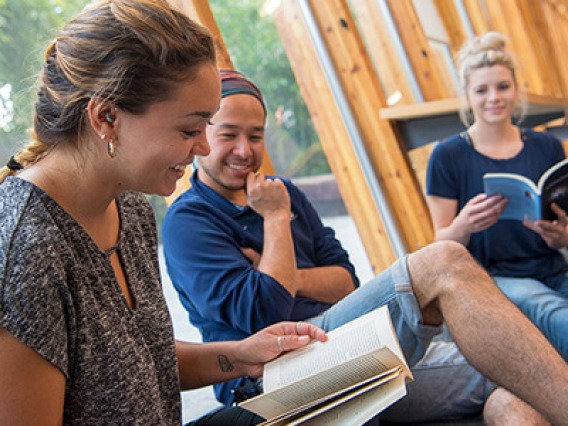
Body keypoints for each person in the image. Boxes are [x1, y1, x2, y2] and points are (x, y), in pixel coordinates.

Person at [162, 69, 567, 425]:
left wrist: (287, 275)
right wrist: (274, 221)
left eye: (256, 136)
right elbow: (264, 310)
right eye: (228, 135)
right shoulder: (190, 221)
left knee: (515, 385)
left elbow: (345, 281)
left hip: (348, 339)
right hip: (272, 373)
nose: (245, 151)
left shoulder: (285, 193)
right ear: (202, 136)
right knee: (445, 264)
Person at [0, 1, 331, 425]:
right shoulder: (22, 252)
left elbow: (140, 364)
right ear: (106, 118)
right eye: (190, 130)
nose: (205, 148)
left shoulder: (132, 206)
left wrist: (241, 355)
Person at [425, 31, 568, 360]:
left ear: (516, 88)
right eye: (482, 90)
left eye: (503, 87)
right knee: (547, 308)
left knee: (550, 300)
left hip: (551, 266)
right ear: (467, 95)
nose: (494, 98)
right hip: (494, 277)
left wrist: (560, 236)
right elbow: (440, 243)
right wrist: (465, 224)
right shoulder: (447, 156)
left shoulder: (546, 146)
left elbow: (564, 231)